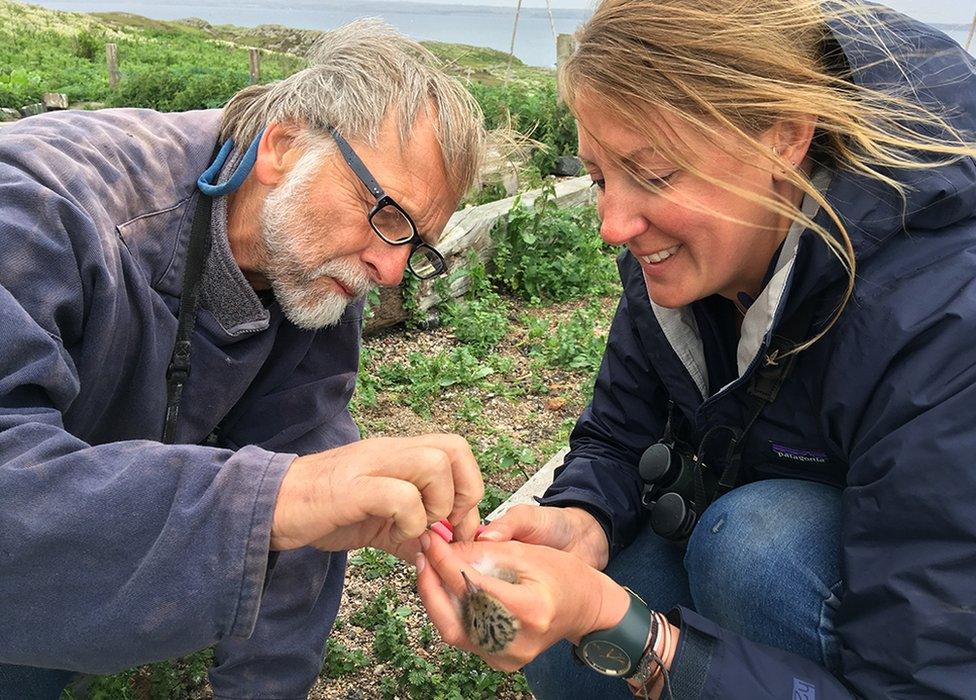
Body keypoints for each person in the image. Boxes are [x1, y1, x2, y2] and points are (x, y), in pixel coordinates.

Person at [417, 1, 976, 697]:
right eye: (597, 178)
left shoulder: (941, 317)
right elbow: (617, 437)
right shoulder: (683, 267)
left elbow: (925, 678)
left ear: (784, 140)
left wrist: (641, 640)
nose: (612, 226)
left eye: (652, 174)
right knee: (565, 649)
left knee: (754, 547)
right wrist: (581, 521)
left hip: (901, 624)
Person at [0, 19, 487, 700]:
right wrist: (278, 496)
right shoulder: (38, 205)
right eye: (387, 214)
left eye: (417, 245)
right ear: (284, 147)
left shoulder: (307, 263)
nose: (389, 270)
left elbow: (306, 486)